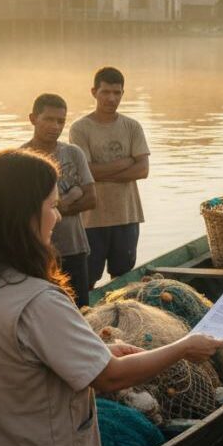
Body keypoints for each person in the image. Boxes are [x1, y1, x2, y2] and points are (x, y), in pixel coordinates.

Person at [0, 149, 223, 446]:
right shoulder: (37, 300)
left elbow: (6, 362)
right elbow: (110, 378)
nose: (57, 217)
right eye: (51, 206)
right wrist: (183, 347)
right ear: (21, 216)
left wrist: (98, 353)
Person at [69, 67, 150, 288]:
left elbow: (142, 170)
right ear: (94, 92)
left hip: (127, 215)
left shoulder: (132, 126)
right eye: (105, 92)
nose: (111, 98)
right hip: (92, 219)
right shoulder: (80, 128)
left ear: (123, 93)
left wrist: (100, 172)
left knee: (123, 279)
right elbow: (85, 172)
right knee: (86, 280)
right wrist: (126, 163)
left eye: (117, 92)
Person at [23, 93, 96, 306]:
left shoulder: (73, 153)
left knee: (81, 309)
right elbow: (22, 210)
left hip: (74, 247)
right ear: (33, 119)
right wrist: (71, 196)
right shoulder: (21, 159)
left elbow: (91, 200)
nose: (55, 126)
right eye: (48, 119)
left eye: (60, 121)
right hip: (35, 251)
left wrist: (52, 208)